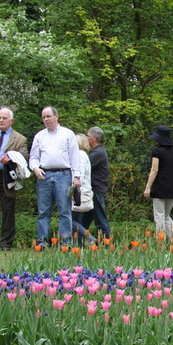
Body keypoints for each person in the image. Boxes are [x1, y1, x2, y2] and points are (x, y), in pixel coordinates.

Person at [29, 106, 82, 247]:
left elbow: (75, 156)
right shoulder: (39, 136)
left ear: (56, 116)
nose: (46, 119)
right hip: (44, 175)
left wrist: (77, 176)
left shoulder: (67, 134)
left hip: (64, 174)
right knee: (43, 211)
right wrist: (35, 168)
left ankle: (66, 243)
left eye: (48, 116)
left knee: (64, 210)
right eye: (43, 117)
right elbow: (33, 157)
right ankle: (42, 242)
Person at [0, 107, 29, 251]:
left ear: (11, 120)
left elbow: (25, 156)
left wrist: (10, 159)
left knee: (7, 211)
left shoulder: (20, 139)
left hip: (7, 176)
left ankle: (5, 243)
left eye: (4, 118)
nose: (1, 120)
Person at [143, 126, 173, 236]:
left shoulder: (157, 152)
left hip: (160, 187)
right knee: (166, 215)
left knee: (159, 216)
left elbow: (154, 170)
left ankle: (160, 241)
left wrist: (148, 187)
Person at [80, 126, 111, 239]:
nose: (86, 138)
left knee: (100, 220)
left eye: (87, 136)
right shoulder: (97, 152)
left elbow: (84, 166)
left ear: (94, 138)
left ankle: (107, 244)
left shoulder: (98, 153)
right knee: (83, 221)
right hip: (93, 190)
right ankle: (81, 242)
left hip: (96, 190)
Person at [71, 133, 95, 245]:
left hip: (78, 192)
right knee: (78, 221)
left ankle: (89, 237)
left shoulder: (79, 155)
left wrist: (73, 190)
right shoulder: (85, 155)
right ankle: (78, 245)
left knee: (71, 220)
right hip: (84, 191)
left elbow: (79, 175)